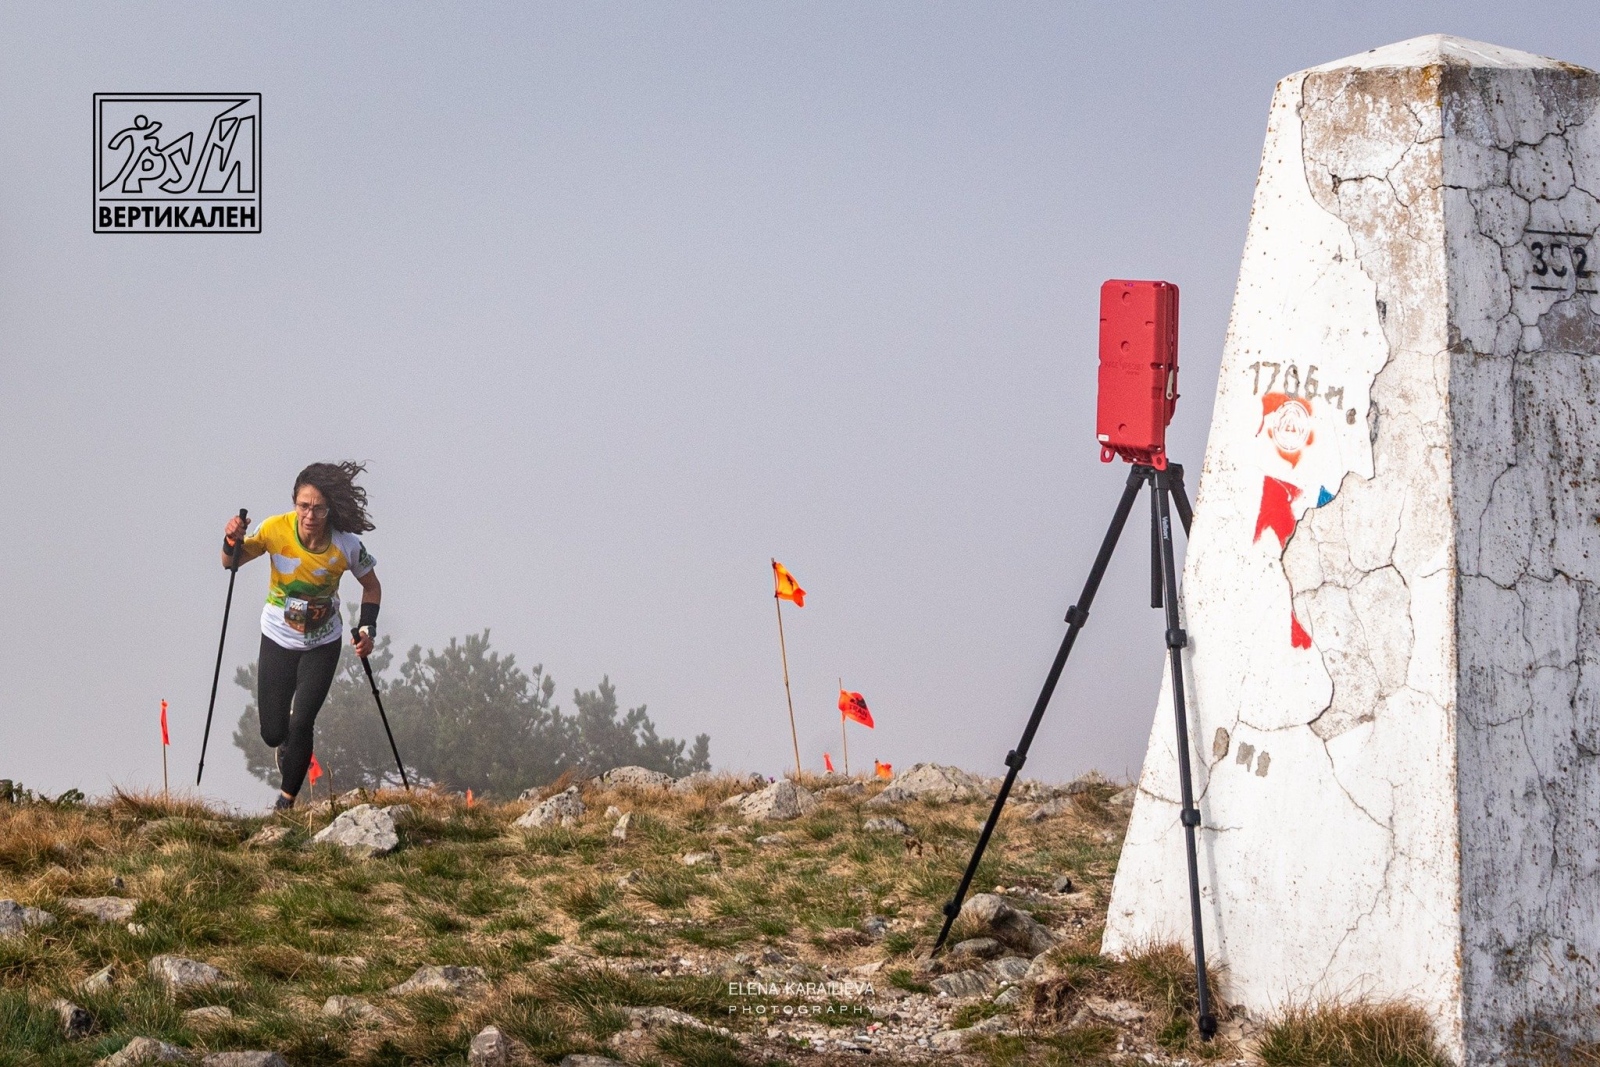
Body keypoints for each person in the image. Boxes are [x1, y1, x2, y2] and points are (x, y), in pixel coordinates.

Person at [221, 462, 382, 810]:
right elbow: (230, 562)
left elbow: (372, 587)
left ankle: (286, 802)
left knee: (303, 721)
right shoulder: (274, 529)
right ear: (294, 502)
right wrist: (232, 538)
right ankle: (284, 747)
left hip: (322, 643)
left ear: (330, 509)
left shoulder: (346, 545)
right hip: (278, 637)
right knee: (273, 732)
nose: (310, 515)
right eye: (304, 506)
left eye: (319, 508)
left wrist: (367, 628)